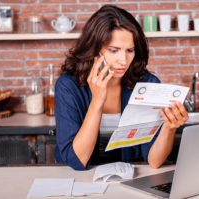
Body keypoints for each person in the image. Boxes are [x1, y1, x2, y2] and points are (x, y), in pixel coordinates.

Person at [54, 5, 189, 171]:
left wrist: (169, 126)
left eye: (130, 50)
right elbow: (77, 161)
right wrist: (97, 101)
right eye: (114, 50)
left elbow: (154, 161)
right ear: (95, 49)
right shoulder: (68, 86)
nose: (123, 61)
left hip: (130, 175)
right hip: (80, 179)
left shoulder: (148, 84)